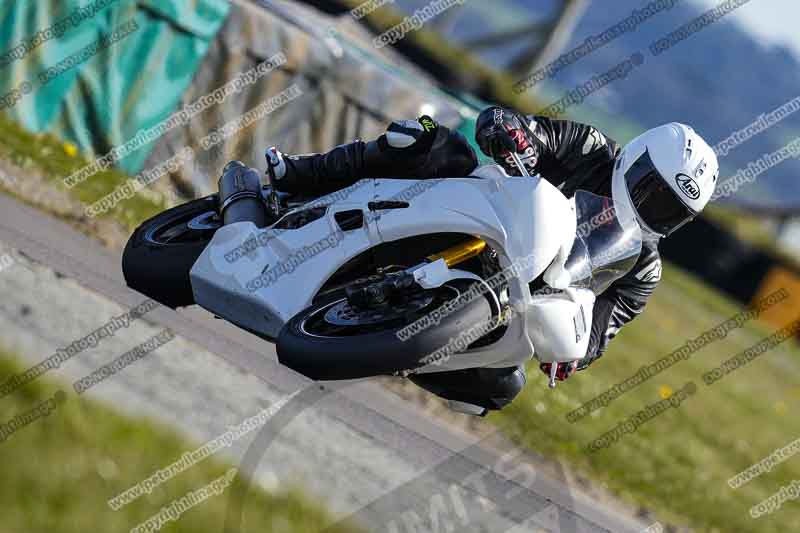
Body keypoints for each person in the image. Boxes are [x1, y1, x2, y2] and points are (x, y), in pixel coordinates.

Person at [264, 107, 719, 414]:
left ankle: (398, 350)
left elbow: (601, 330)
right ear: (635, 161)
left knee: (503, 388)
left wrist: (572, 357)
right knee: (426, 140)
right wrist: (516, 138)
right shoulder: (591, 148)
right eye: (652, 192)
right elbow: (508, 123)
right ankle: (303, 174)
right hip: (474, 219)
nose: (652, 210)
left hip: (513, 304)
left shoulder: (644, 269)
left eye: (670, 211)